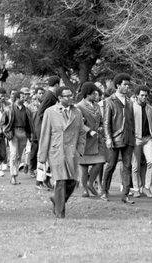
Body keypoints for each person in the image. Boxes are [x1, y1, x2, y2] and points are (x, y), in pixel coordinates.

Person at [38, 86, 86, 218]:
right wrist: (42, 157)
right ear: (59, 98)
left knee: (71, 182)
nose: (71, 98)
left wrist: (80, 150)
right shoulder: (50, 112)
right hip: (56, 151)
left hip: (72, 152)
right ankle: (60, 213)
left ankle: (57, 200)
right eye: (67, 96)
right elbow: (45, 134)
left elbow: (82, 132)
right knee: (60, 181)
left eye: (72, 95)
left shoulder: (77, 112)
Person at [101, 73, 135, 204]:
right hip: (115, 138)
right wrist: (108, 138)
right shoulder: (109, 101)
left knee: (127, 166)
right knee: (110, 165)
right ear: (117, 85)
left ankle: (125, 194)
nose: (127, 87)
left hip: (129, 138)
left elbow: (131, 121)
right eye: (125, 84)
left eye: (128, 84)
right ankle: (104, 191)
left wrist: (134, 136)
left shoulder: (130, 102)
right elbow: (106, 122)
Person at [76, 82, 105, 197]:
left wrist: (101, 126)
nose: (96, 96)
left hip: (97, 139)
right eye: (94, 94)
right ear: (87, 94)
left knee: (100, 162)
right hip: (85, 140)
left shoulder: (97, 106)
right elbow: (78, 123)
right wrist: (89, 130)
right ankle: (85, 189)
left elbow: (101, 120)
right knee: (84, 166)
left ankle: (90, 183)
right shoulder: (79, 106)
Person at [1, 91, 33, 185]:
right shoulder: (9, 109)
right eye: (22, 97)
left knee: (19, 155)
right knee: (13, 154)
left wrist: (30, 134)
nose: (24, 98)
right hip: (13, 133)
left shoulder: (27, 110)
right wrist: (6, 132)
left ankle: (15, 175)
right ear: (17, 98)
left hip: (23, 133)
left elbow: (30, 124)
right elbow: (3, 123)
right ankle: (13, 176)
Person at [34, 76, 60, 190]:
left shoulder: (51, 95)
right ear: (57, 84)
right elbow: (40, 113)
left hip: (45, 128)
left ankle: (45, 180)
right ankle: (39, 181)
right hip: (43, 128)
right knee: (44, 153)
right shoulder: (49, 96)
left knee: (48, 155)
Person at [131, 85, 152, 198]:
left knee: (151, 161)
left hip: (147, 138)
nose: (144, 97)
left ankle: (147, 187)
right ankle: (136, 188)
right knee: (135, 165)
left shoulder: (150, 109)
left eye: (146, 95)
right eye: (142, 95)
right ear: (137, 95)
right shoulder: (131, 107)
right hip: (135, 139)